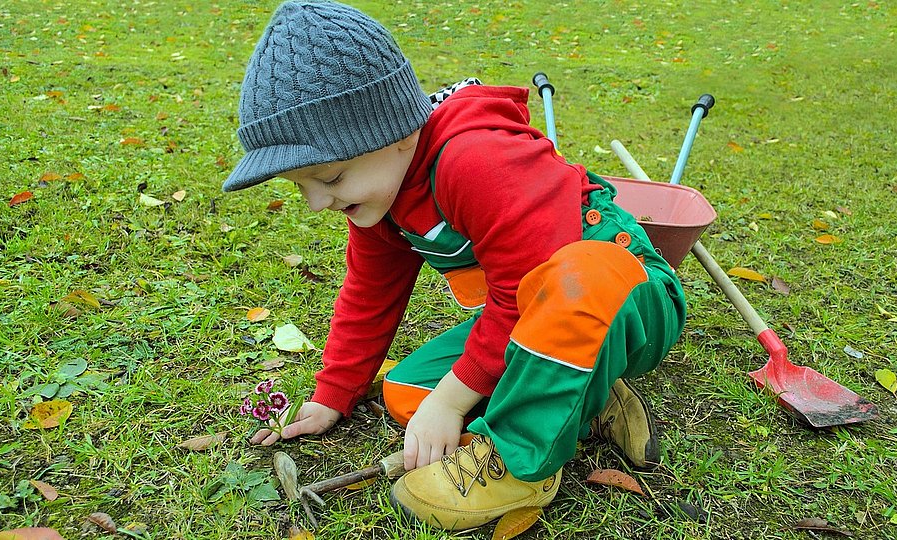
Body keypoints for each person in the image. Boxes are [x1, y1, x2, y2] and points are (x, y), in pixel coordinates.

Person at [225, 0, 685, 531]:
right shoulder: (381, 201)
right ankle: (586, 393)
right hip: (535, 321)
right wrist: (333, 394)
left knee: (576, 277)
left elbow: (524, 288)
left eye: (329, 178)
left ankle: (520, 465)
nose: (316, 202)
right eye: (301, 186)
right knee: (408, 394)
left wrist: (452, 399)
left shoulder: (474, 160)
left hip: (626, 295)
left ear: (393, 134)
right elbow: (369, 295)